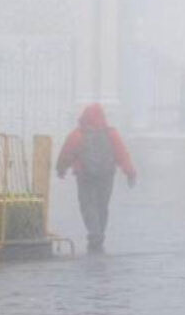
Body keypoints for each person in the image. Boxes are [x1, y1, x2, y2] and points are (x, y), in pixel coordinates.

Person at [56, 104, 136, 254]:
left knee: (87, 205)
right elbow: (122, 154)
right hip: (106, 175)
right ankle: (100, 233)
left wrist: (61, 169)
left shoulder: (77, 134)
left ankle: (94, 234)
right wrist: (130, 172)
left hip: (85, 176)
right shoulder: (112, 134)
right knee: (102, 205)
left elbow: (67, 153)